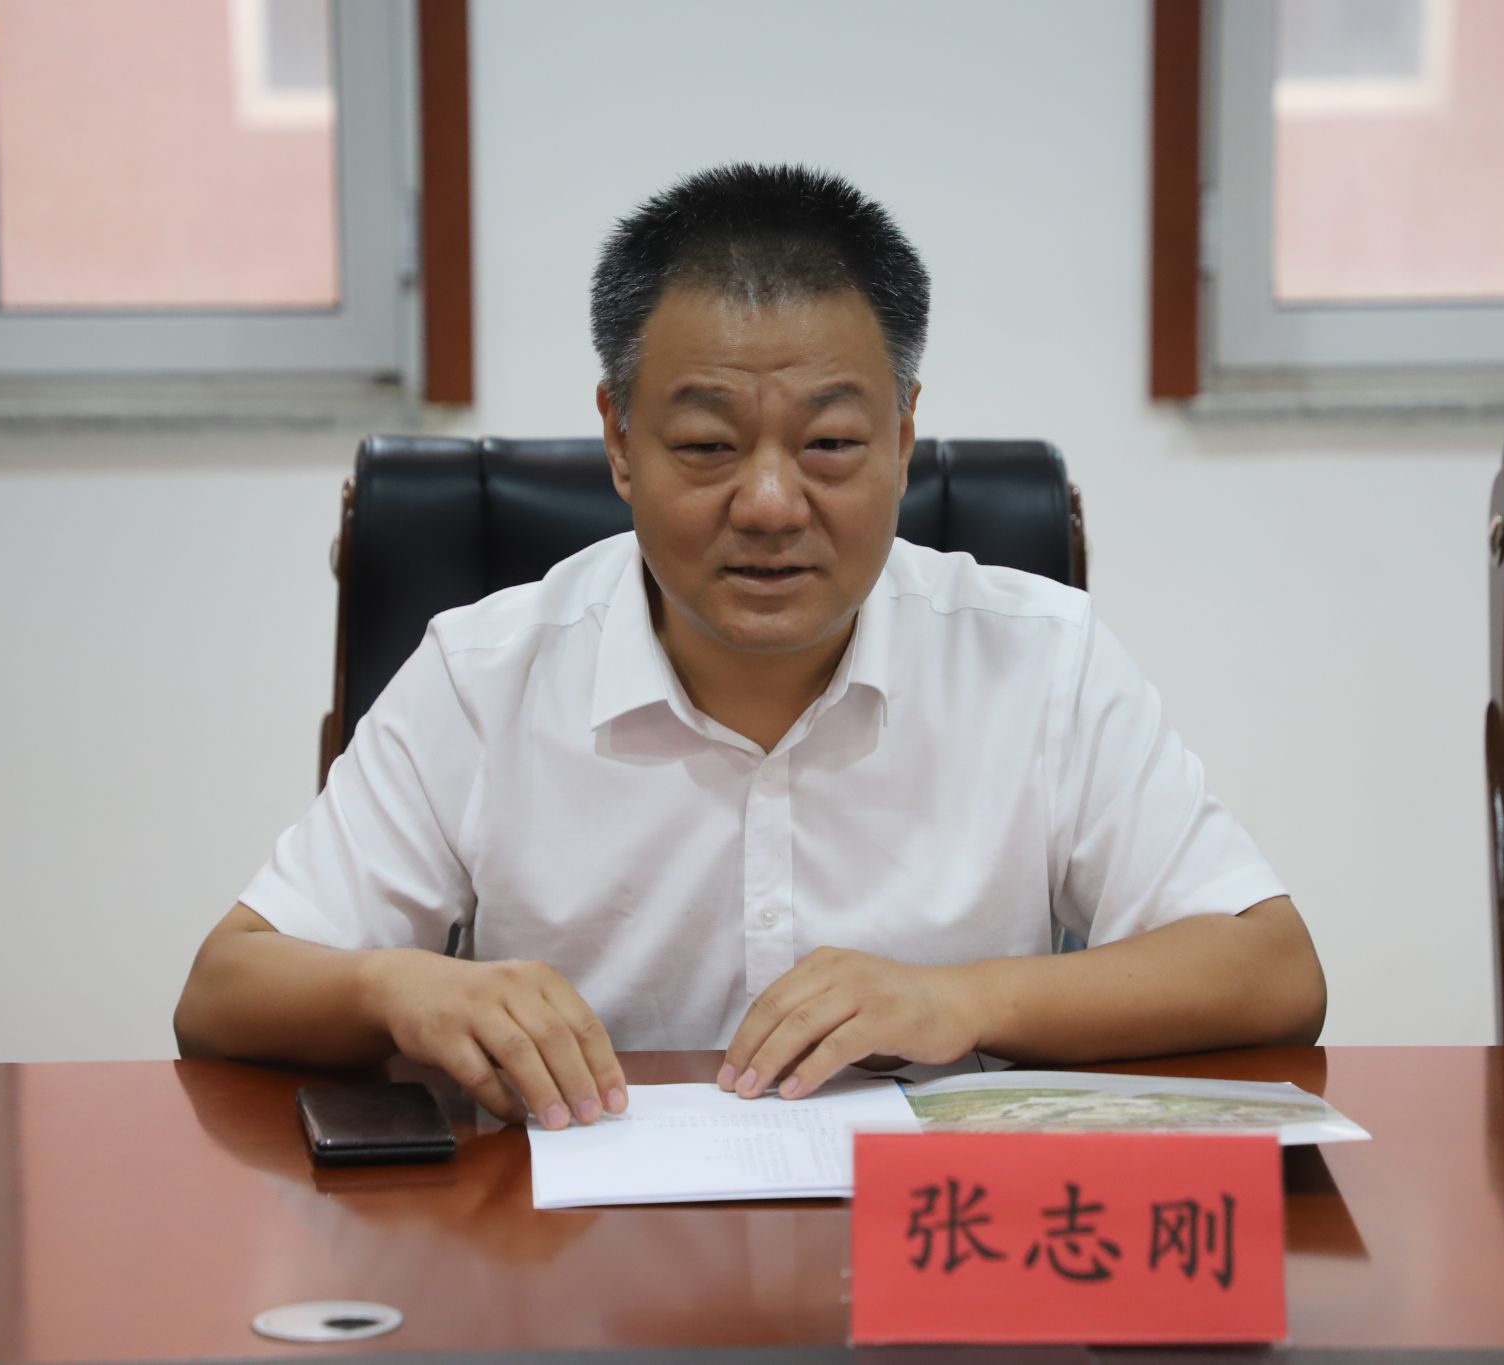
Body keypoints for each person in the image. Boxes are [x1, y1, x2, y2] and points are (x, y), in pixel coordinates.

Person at [174, 164, 1326, 1128]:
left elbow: (1270, 969)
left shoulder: (1035, 659)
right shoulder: (485, 678)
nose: (770, 505)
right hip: (568, 1270)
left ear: (902, 435)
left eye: (829, 444)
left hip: (934, 1257)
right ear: (619, 441)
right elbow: (224, 992)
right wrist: (399, 989)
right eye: (705, 446)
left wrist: (963, 1002)